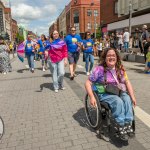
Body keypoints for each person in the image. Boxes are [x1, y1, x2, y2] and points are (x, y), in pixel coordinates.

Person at [85, 48, 136, 139]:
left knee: (127, 99)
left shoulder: (120, 68)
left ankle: (128, 123)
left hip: (117, 91)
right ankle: (120, 125)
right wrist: (91, 96)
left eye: (113, 55)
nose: (111, 57)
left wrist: (133, 97)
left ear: (116, 57)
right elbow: (88, 83)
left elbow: (127, 82)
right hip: (104, 93)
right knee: (118, 101)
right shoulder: (99, 69)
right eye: (109, 55)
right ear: (105, 58)